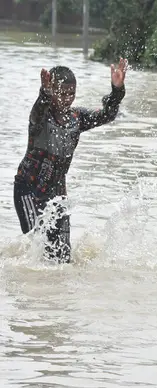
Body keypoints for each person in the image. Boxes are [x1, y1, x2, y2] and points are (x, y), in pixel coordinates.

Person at [13, 59, 128, 264]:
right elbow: (37, 111)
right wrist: (44, 94)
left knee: (63, 258)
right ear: (51, 90)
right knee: (41, 252)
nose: (67, 99)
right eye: (61, 93)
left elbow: (107, 114)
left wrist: (117, 91)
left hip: (57, 194)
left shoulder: (77, 118)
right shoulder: (40, 119)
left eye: (71, 94)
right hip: (29, 191)